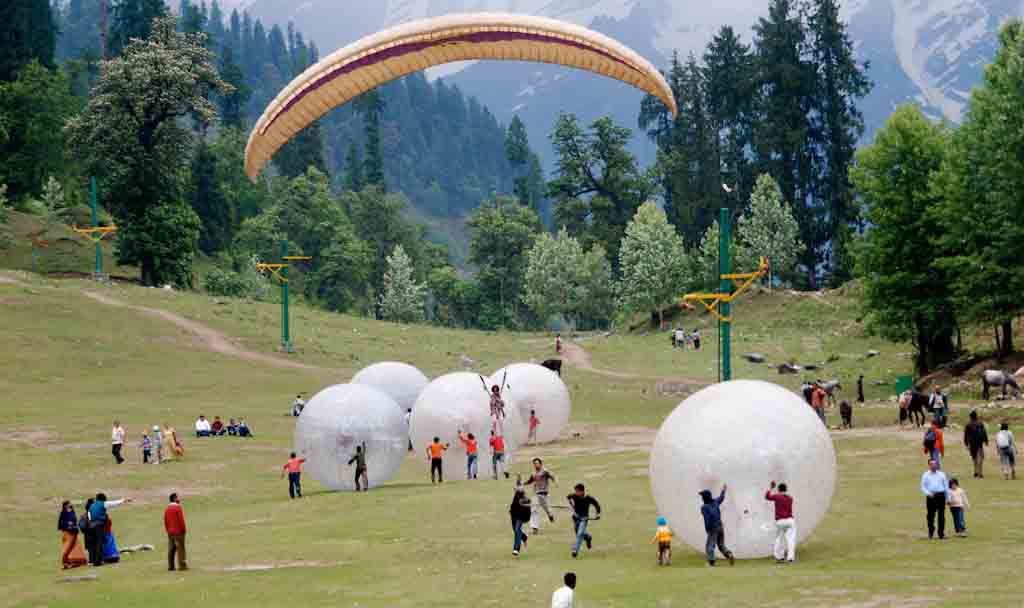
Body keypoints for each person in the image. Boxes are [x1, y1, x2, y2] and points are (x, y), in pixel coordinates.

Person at [699, 485, 734, 566]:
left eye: (702, 497)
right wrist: (723, 490)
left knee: (710, 545)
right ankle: (729, 555)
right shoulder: (715, 502)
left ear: (705, 498)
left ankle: (711, 562)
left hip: (713, 528)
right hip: (720, 525)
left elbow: (707, 519)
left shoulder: (704, 507)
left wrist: (708, 530)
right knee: (721, 544)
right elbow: (721, 498)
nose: (701, 498)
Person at [566, 483, 601, 558]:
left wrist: (598, 514)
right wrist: (570, 503)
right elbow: (568, 496)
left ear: (582, 491)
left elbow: (596, 504)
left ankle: (575, 550)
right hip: (576, 518)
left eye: (577, 491)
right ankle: (588, 537)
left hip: (584, 518)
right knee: (579, 533)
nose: (576, 493)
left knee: (580, 534)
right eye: (575, 491)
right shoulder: (574, 496)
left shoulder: (588, 498)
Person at [765, 481, 796, 563]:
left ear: (778, 489)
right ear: (786, 489)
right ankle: (790, 558)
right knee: (790, 540)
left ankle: (779, 557)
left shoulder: (777, 497)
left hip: (780, 521)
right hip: (790, 521)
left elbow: (767, 497)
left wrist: (771, 488)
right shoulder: (790, 498)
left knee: (779, 539)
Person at [526, 458, 557, 533]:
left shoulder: (545, 471)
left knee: (548, 510)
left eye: (537, 463)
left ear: (540, 464)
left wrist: (555, 482)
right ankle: (535, 528)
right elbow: (530, 481)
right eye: (534, 463)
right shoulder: (533, 474)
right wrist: (522, 484)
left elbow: (552, 476)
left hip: (544, 494)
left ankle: (550, 515)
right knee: (533, 510)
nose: (535, 465)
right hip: (536, 494)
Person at [921, 459, 949, 539]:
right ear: (929, 465)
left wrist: (948, 498)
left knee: (941, 515)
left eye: (935, 464)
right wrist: (928, 494)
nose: (933, 465)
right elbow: (923, 486)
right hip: (931, 497)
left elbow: (946, 486)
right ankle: (931, 531)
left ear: (937, 465)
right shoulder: (925, 475)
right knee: (930, 515)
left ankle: (941, 533)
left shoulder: (942, 474)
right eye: (931, 464)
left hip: (940, 496)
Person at [58, 501, 87, 569]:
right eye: (68, 504)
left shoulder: (72, 512)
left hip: (73, 533)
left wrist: (73, 526)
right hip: (67, 533)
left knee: (75, 547)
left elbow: (75, 521)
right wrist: (67, 525)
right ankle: (67, 561)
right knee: (68, 548)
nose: (70, 505)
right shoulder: (63, 513)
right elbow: (61, 524)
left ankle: (76, 561)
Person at [164, 493, 187, 571]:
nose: (179, 499)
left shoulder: (167, 509)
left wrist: (168, 530)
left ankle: (171, 566)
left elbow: (165, 521)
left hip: (170, 532)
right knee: (181, 549)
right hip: (179, 532)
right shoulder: (178, 508)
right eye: (177, 498)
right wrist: (184, 530)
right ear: (174, 499)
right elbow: (181, 520)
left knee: (171, 549)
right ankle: (182, 566)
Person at [964, 410, 989, 478]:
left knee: (974, 458)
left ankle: (975, 471)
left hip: (972, 443)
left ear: (970, 417)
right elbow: (984, 433)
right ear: (976, 416)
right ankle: (980, 472)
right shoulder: (980, 423)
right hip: (979, 443)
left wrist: (966, 443)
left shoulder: (968, 425)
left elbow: (966, 435)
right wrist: (986, 441)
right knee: (981, 457)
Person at [510, 485, 532, 556]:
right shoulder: (516, 496)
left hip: (521, 516)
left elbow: (528, 502)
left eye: (519, 490)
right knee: (515, 530)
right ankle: (524, 537)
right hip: (514, 515)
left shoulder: (525, 498)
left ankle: (516, 549)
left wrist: (526, 503)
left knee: (517, 530)